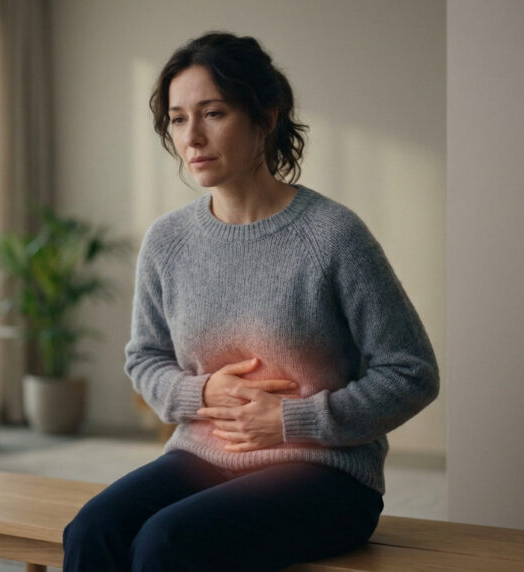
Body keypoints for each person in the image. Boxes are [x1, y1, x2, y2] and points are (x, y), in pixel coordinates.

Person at [62, 31, 439, 571]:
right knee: (92, 530)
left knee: (166, 542)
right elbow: (144, 358)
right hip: (203, 457)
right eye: (177, 119)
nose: (192, 137)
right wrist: (201, 392)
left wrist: (294, 420)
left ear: (266, 116)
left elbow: (411, 372)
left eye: (213, 113)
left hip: (326, 475)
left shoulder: (333, 235)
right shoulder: (168, 241)